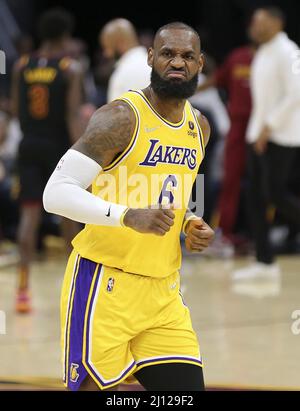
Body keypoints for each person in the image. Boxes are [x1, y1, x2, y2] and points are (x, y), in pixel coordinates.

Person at [43, 22, 214, 391]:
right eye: (168, 53)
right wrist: (126, 216)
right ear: (151, 57)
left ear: (200, 63)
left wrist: (189, 222)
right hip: (104, 285)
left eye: (187, 56)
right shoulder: (121, 117)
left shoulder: (199, 127)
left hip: (163, 293)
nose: (177, 63)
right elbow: (55, 192)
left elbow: (171, 195)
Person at [11, 8, 83, 312]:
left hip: (28, 145)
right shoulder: (70, 67)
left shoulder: (22, 65)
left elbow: (16, 109)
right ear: (65, 36)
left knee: (29, 218)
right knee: (69, 219)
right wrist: (83, 153)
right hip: (58, 149)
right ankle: (75, 291)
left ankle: (23, 291)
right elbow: (72, 116)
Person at [232, 7, 300, 280]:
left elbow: (296, 93)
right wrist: (257, 131)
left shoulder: (290, 51)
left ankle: (265, 260)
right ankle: (264, 262)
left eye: (260, 21)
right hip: (258, 134)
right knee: (255, 198)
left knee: (275, 194)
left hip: (279, 136)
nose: (254, 26)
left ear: (276, 22)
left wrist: (268, 127)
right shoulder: (263, 50)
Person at [196, 43, 254, 251]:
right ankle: (223, 232)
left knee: (262, 187)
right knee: (226, 184)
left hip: (260, 129)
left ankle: (253, 234)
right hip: (230, 134)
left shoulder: (277, 57)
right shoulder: (237, 57)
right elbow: (218, 80)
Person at [100, 18, 151, 102]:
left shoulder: (121, 74)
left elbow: (115, 114)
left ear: (120, 42)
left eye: (108, 47)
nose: (106, 54)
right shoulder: (154, 65)